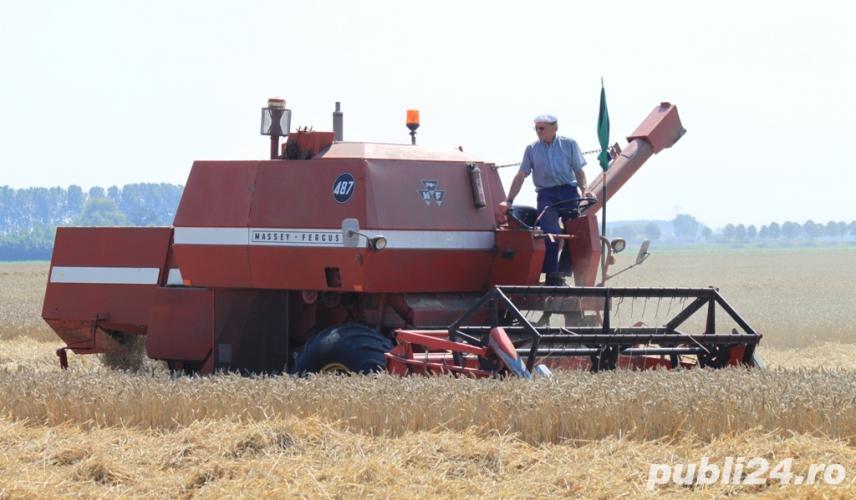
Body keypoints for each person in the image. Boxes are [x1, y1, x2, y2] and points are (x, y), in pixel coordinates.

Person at [498, 114, 593, 286]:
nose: (538, 132)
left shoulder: (569, 144)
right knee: (549, 233)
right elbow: (521, 176)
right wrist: (509, 200)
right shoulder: (531, 149)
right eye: (536, 128)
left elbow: (579, 171)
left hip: (568, 192)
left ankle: (562, 271)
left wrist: (585, 190)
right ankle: (551, 274)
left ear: (554, 128)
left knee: (575, 233)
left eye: (542, 128)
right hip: (546, 194)